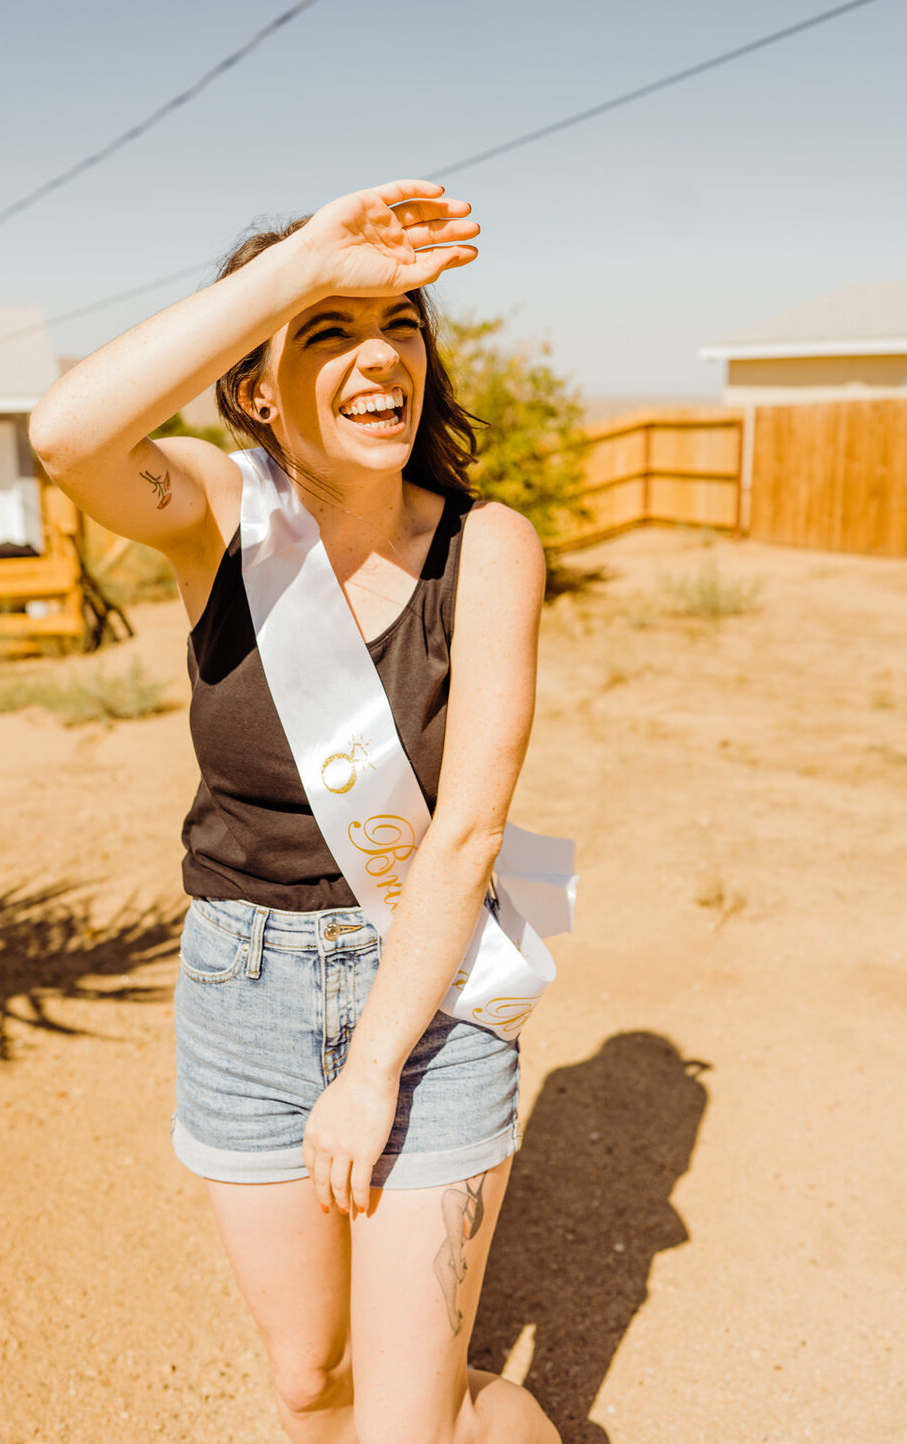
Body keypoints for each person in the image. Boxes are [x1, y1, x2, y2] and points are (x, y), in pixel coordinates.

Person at [30, 178, 560, 1444]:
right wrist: (292, 269)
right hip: (242, 989)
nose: (380, 356)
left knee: (402, 1423)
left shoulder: (490, 549)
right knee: (308, 1387)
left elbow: (470, 837)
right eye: (329, 331)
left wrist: (376, 1067)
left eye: (401, 324)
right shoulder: (219, 516)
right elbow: (65, 435)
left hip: (425, 990)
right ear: (257, 387)